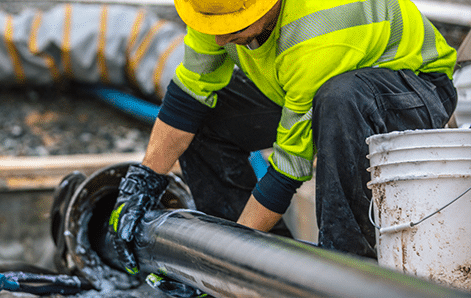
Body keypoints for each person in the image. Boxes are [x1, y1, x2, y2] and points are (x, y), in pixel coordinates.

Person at [107, 0, 458, 286]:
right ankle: (266, 266)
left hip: (412, 88)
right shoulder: (215, 9)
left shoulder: (319, 25)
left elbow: (289, 170)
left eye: (233, 28)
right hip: (306, 85)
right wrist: (142, 183)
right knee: (207, 118)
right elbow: (189, 97)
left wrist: (222, 261)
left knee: (339, 99)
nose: (219, 41)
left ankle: (346, 270)